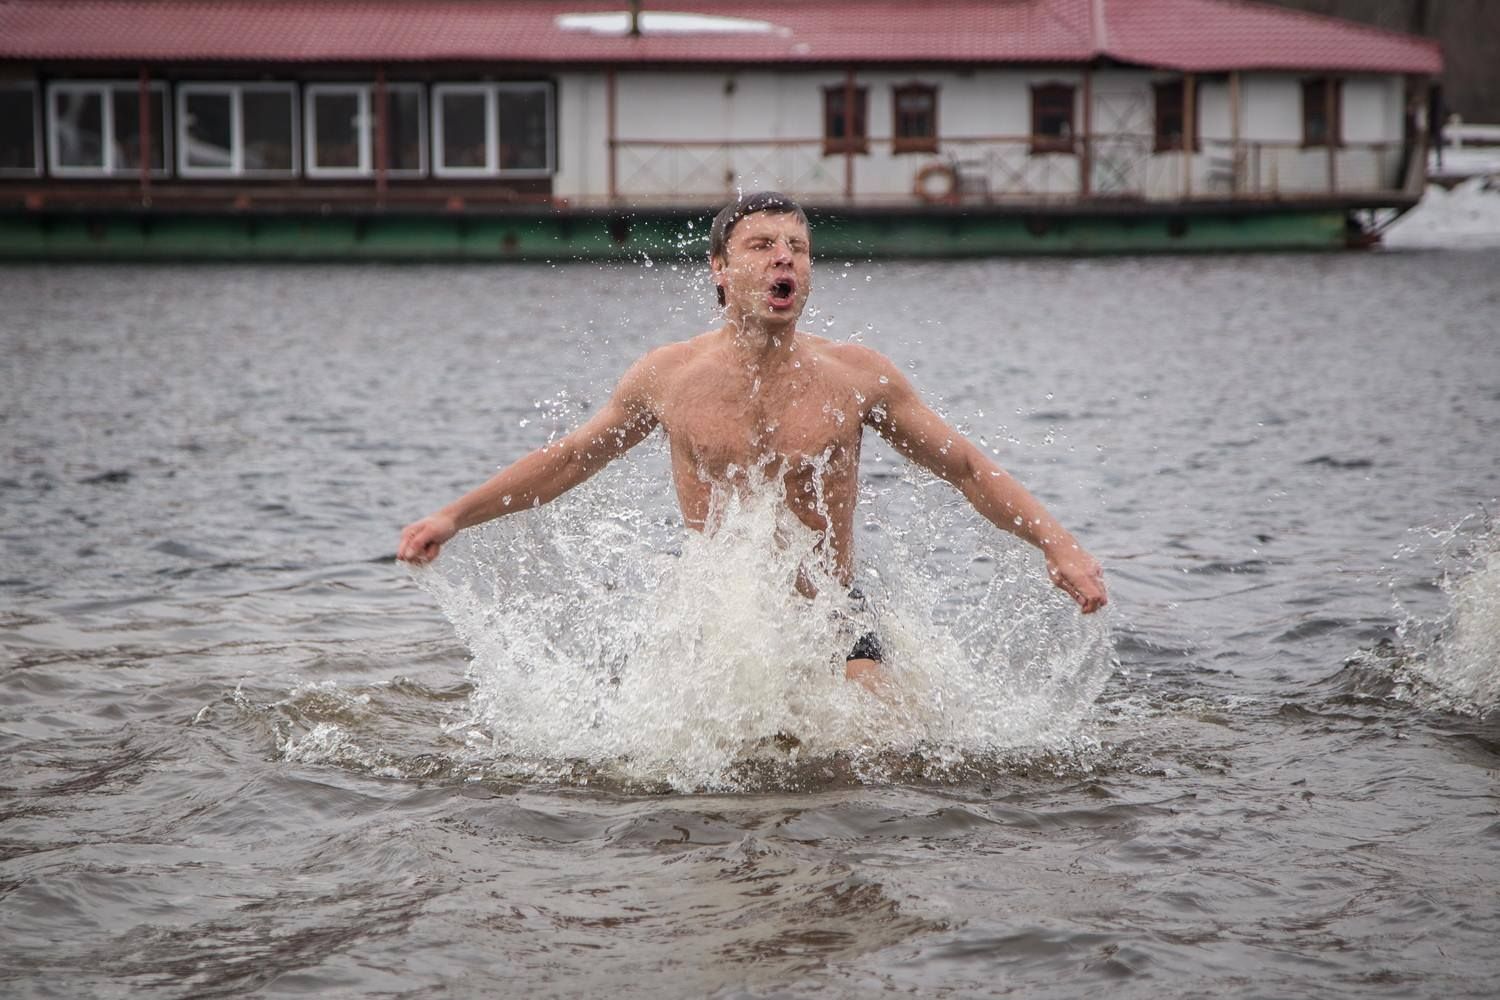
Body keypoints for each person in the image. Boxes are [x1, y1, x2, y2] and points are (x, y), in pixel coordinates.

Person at [398, 191, 1107, 689]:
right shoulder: (668, 376)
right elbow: (571, 459)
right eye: (763, 246)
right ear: (719, 269)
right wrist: (452, 517)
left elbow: (966, 467)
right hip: (720, 615)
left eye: (798, 248)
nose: (784, 261)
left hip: (831, 610)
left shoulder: (857, 378)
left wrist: (1058, 544)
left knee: (881, 743)